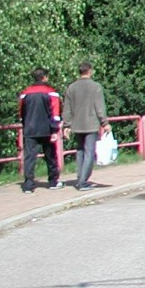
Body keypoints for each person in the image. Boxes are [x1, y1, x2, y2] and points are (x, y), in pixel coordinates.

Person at [63, 61, 110, 191]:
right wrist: (104, 123)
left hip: (77, 124)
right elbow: (99, 107)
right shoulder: (95, 87)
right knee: (89, 152)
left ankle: (80, 177)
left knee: (80, 151)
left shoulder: (71, 87)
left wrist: (67, 125)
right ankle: (83, 182)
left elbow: (67, 108)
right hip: (91, 124)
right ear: (90, 71)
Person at [17, 68, 63, 192]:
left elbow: (21, 112)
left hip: (30, 129)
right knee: (51, 156)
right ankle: (53, 182)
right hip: (47, 129)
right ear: (45, 77)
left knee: (29, 158)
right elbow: (55, 113)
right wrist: (55, 129)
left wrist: (24, 124)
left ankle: (28, 185)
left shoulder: (25, 93)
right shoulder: (51, 92)